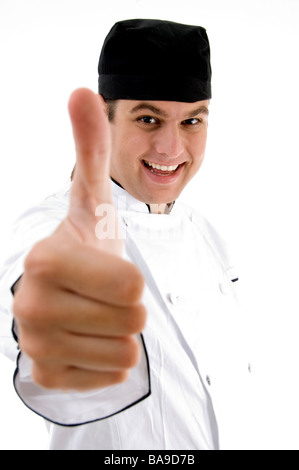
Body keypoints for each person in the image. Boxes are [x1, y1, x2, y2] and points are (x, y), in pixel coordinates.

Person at [0, 19, 252, 450]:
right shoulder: (56, 225)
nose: (171, 149)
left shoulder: (207, 233)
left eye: (192, 121)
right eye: (149, 119)